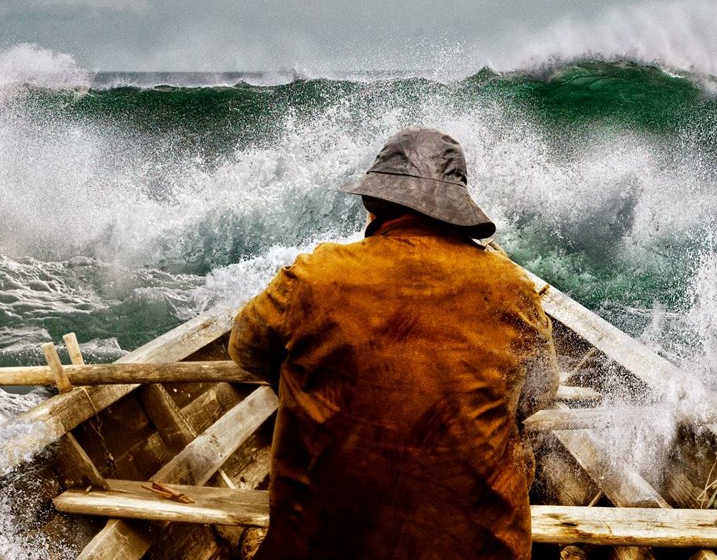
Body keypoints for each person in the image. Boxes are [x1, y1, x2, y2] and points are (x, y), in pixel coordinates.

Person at [229, 128, 559, 560]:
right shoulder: (512, 288)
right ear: (454, 211)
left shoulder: (314, 277)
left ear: (375, 205)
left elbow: (244, 350)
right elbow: (540, 390)